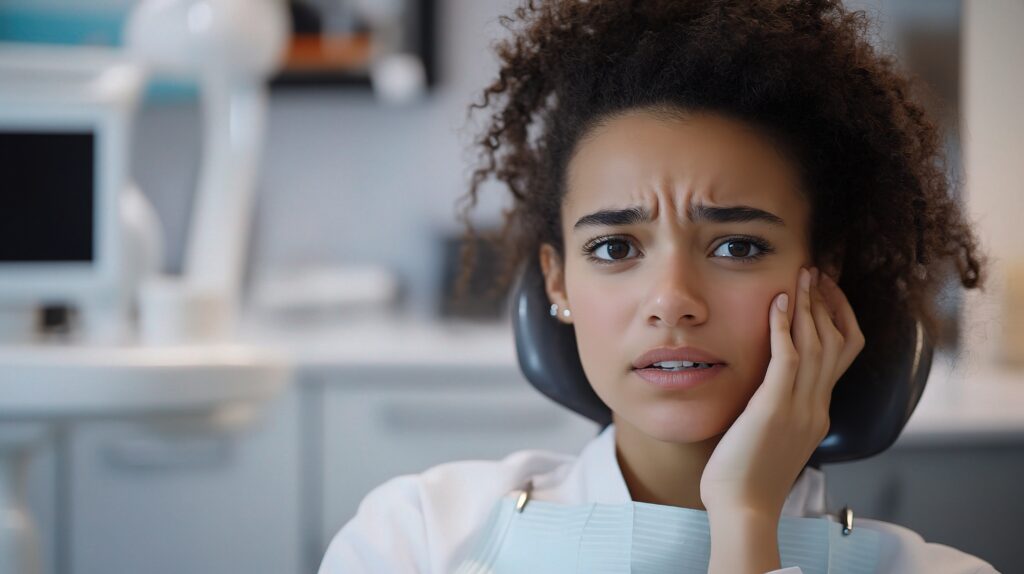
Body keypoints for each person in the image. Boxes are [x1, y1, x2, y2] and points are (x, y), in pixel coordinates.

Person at [319, 1, 997, 572]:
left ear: (825, 271)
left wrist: (746, 517)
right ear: (557, 280)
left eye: (737, 245)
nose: (672, 298)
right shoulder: (417, 536)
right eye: (614, 247)